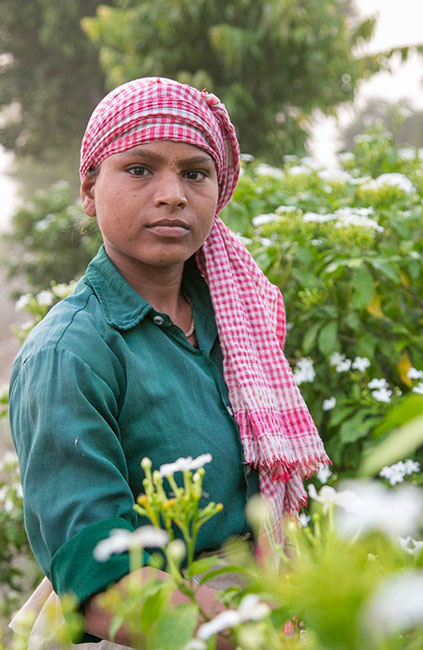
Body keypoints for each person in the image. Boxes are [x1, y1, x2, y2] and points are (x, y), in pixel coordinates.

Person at [9, 77, 330, 648]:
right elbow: (103, 580)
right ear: (89, 189)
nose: (172, 194)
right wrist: (249, 632)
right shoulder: (71, 353)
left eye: (194, 173)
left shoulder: (236, 324)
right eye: (139, 169)